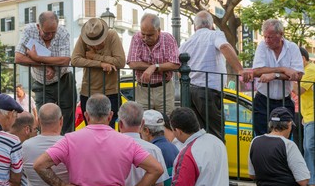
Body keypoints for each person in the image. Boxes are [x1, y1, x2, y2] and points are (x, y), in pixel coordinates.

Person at [33, 93, 164, 186]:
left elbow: (39, 164)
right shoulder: (127, 142)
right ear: (110, 116)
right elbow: (156, 169)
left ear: (87, 115)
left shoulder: (70, 140)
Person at [178, 10, 253, 141]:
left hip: (191, 91)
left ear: (195, 27)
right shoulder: (215, 35)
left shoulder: (187, 43)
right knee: (216, 134)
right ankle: (217, 160)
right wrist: (240, 70)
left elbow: (178, 66)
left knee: (197, 135)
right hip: (209, 92)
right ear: (212, 25)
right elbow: (224, 46)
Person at [15, 11, 76, 134]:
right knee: (44, 116)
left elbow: (65, 60)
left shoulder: (63, 32)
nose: (51, 35)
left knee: (67, 115)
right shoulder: (29, 30)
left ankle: (66, 144)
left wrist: (38, 58)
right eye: (47, 32)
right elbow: (18, 57)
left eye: (53, 32)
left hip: (63, 78)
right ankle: (46, 148)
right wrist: (45, 66)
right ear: (38, 26)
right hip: (40, 81)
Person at [252, 19, 304, 136]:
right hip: (263, 100)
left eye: (270, 37)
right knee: (262, 137)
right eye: (264, 37)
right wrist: (282, 69)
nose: (266, 40)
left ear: (281, 34)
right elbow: (257, 71)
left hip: (284, 101)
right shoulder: (262, 46)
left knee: (284, 139)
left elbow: (298, 75)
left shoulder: (292, 48)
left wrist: (274, 75)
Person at [71, 18, 125, 128]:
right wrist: (100, 64)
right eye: (92, 43)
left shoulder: (112, 35)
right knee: (90, 129)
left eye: (98, 41)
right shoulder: (84, 36)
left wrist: (94, 56)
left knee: (108, 130)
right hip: (88, 93)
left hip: (110, 93)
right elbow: (75, 60)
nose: (95, 45)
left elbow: (120, 62)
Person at [127, 13, 180, 115]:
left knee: (166, 122)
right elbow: (132, 63)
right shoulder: (136, 38)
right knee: (143, 123)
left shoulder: (168, 38)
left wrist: (154, 66)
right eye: (143, 34)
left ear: (158, 31)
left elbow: (175, 63)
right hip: (143, 90)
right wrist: (155, 68)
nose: (145, 38)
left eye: (150, 35)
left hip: (165, 89)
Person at [294, 47, 315, 186]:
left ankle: (312, 181)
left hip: (312, 116)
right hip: (308, 115)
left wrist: (287, 77)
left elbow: (299, 90)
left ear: (302, 58)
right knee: (307, 147)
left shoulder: (310, 69)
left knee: (309, 147)